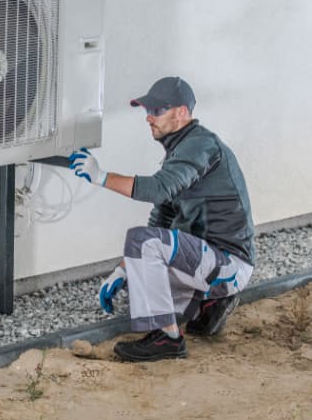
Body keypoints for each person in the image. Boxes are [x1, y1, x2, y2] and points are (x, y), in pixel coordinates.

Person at [68, 76, 255, 362]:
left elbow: (159, 188)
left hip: (228, 262)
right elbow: (161, 217)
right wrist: (123, 269)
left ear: (181, 112)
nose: (149, 118)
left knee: (142, 248)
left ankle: (167, 339)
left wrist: (100, 177)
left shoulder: (201, 144)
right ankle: (208, 306)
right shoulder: (180, 152)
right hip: (209, 262)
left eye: (157, 111)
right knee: (139, 278)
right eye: (147, 111)